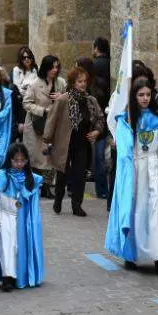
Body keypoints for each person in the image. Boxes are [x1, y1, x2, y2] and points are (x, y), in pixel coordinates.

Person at [106, 77, 158, 276]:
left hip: (154, 170)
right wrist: (124, 127)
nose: (145, 98)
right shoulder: (127, 120)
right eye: (140, 95)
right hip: (135, 172)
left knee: (156, 213)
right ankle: (131, 253)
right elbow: (122, 147)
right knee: (135, 211)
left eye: (147, 94)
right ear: (134, 97)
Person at [0, 143, 45, 291]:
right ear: (10, 160)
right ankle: (8, 278)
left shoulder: (30, 179)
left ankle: (18, 275)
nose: (19, 164)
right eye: (16, 160)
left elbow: (32, 200)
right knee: (5, 245)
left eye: (22, 160)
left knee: (17, 246)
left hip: (21, 218)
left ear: (27, 161)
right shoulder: (1, 176)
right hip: (3, 216)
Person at [43, 66, 104, 217]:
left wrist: (97, 131)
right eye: (79, 81)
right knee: (62, 173)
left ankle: (77, 205)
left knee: (80, 174)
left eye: (84, 81)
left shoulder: (91, 100)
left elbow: (100, 118)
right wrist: (48, 140)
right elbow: (52, 120)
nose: (83, 84)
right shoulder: (63, 99)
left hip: (83, 142)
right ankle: (58, 199)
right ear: (72, 83)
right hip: (65, 142)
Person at [23, 54, 64, 198]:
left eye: (57, 67)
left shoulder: (61, 83)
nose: (55, 70)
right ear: (46, 68)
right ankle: (35, 185)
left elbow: (67, 100)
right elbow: (26, 103)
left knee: (49, 157)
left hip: (52, 126)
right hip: (36, 125)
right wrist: (42, 110)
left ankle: (46, 186)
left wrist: (61, 98)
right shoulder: (34, 84)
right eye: (52, 67)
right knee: (36, 158)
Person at [90, 37, 111, 200]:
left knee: (99, 154)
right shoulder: (111, 63)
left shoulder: (94, 66)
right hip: (110, 112)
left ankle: (101, 188)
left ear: (96, 48)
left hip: (98, 114)